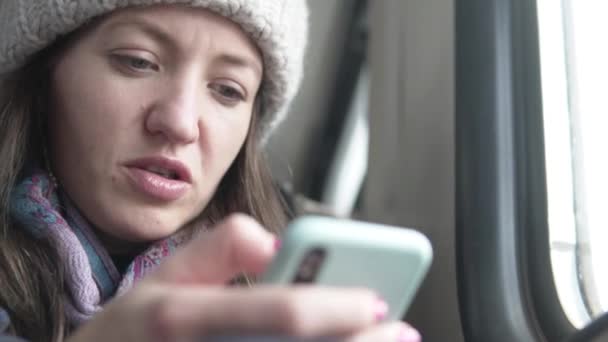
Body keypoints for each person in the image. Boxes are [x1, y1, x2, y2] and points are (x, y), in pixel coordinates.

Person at [0, 1, 422, 341]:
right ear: (42, 78)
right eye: (138, 62)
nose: (180, 123)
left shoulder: (295, 280)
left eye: (227, 90)